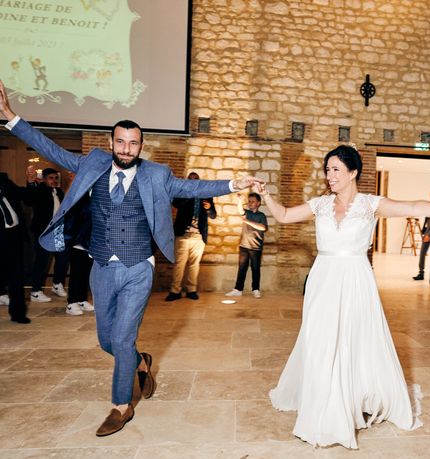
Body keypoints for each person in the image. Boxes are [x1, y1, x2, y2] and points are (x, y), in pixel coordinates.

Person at [0, 79, 262, 436]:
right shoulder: (93, 163)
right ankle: (141, 361)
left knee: (122, 339)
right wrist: (12, 118)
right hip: (102, 268)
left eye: (133, 142)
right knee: (107, 340)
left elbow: (192, 187)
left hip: (139, 267)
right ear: (111, 143)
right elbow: (52, 149)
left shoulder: (157, 174)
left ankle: (121, 406)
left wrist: (235, 184)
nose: (126, 148)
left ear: (141, 145)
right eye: (120, 141)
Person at [264, 145, 430, 449]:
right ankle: (322, 399)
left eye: (336, 169)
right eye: (327, 170)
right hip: (323, 278)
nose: (330, 176)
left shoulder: (370, 204)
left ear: (353, 172)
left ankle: (350, 400)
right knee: (320, 340)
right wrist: (265, 195)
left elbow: (415, 207)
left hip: (355, 278)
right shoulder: (320, 204)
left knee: (351, 340)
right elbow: (285, 215)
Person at [165, 172, 217, 301]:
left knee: (194, 264)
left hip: (199, 236)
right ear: (187, 181)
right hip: (183, 234)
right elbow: (176, 204)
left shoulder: (206, 195)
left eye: (196, 180)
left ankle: (191, 290)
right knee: (179, 264)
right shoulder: (181, 193)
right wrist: (190, 193)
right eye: (191, 180)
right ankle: (175, 291)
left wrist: (209, 208)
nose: (193, 181)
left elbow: (213, 215)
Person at [24, 167, 69, 302]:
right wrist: (31, 182)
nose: (54, 180)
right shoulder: (39, 191)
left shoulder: (59, 192)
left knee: (63, 258)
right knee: (41, 261)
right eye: (51, 178)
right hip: (43, 233)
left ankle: (57, 284)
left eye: (56, 178)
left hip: (58, 232)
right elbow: (29, 200)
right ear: (44, 179)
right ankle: (36, 291)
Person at [0, 171, 30, 323]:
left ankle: (18, 314)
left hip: (13, 236)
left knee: (16, 277)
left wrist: (30, 182)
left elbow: (25, 195)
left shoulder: (4, 183)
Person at [225, 192, 268, 298]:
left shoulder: (261, 215)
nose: (250, 203)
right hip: (244, 245)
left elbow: (263, 228)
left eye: (253, 201)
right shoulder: (247, 213)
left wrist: (247, 221)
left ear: (258, 203)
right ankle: (238, 289)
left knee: (255, 268)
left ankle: (256, 289)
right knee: (242, 268)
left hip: (256, 247)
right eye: (249, 201)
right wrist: (239, 200)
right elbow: (240, 211)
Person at [412, 188, 430, 281]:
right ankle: (421, 273)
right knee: (422, 253)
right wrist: (423, 232)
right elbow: (427, 220)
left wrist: (429, 234)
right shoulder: (429, 205)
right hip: (427, 231)